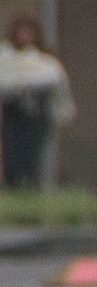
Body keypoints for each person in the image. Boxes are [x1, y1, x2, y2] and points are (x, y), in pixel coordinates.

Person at [0, 16, 76, 188]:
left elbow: (57, 82)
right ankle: (14, 187)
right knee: (11, 156)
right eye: (21, 31)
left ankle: (28, 187)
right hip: (12, 113)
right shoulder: (5, 57)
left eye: (29, 32)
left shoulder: (45, 61)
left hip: (36, 115)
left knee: (30, 156)